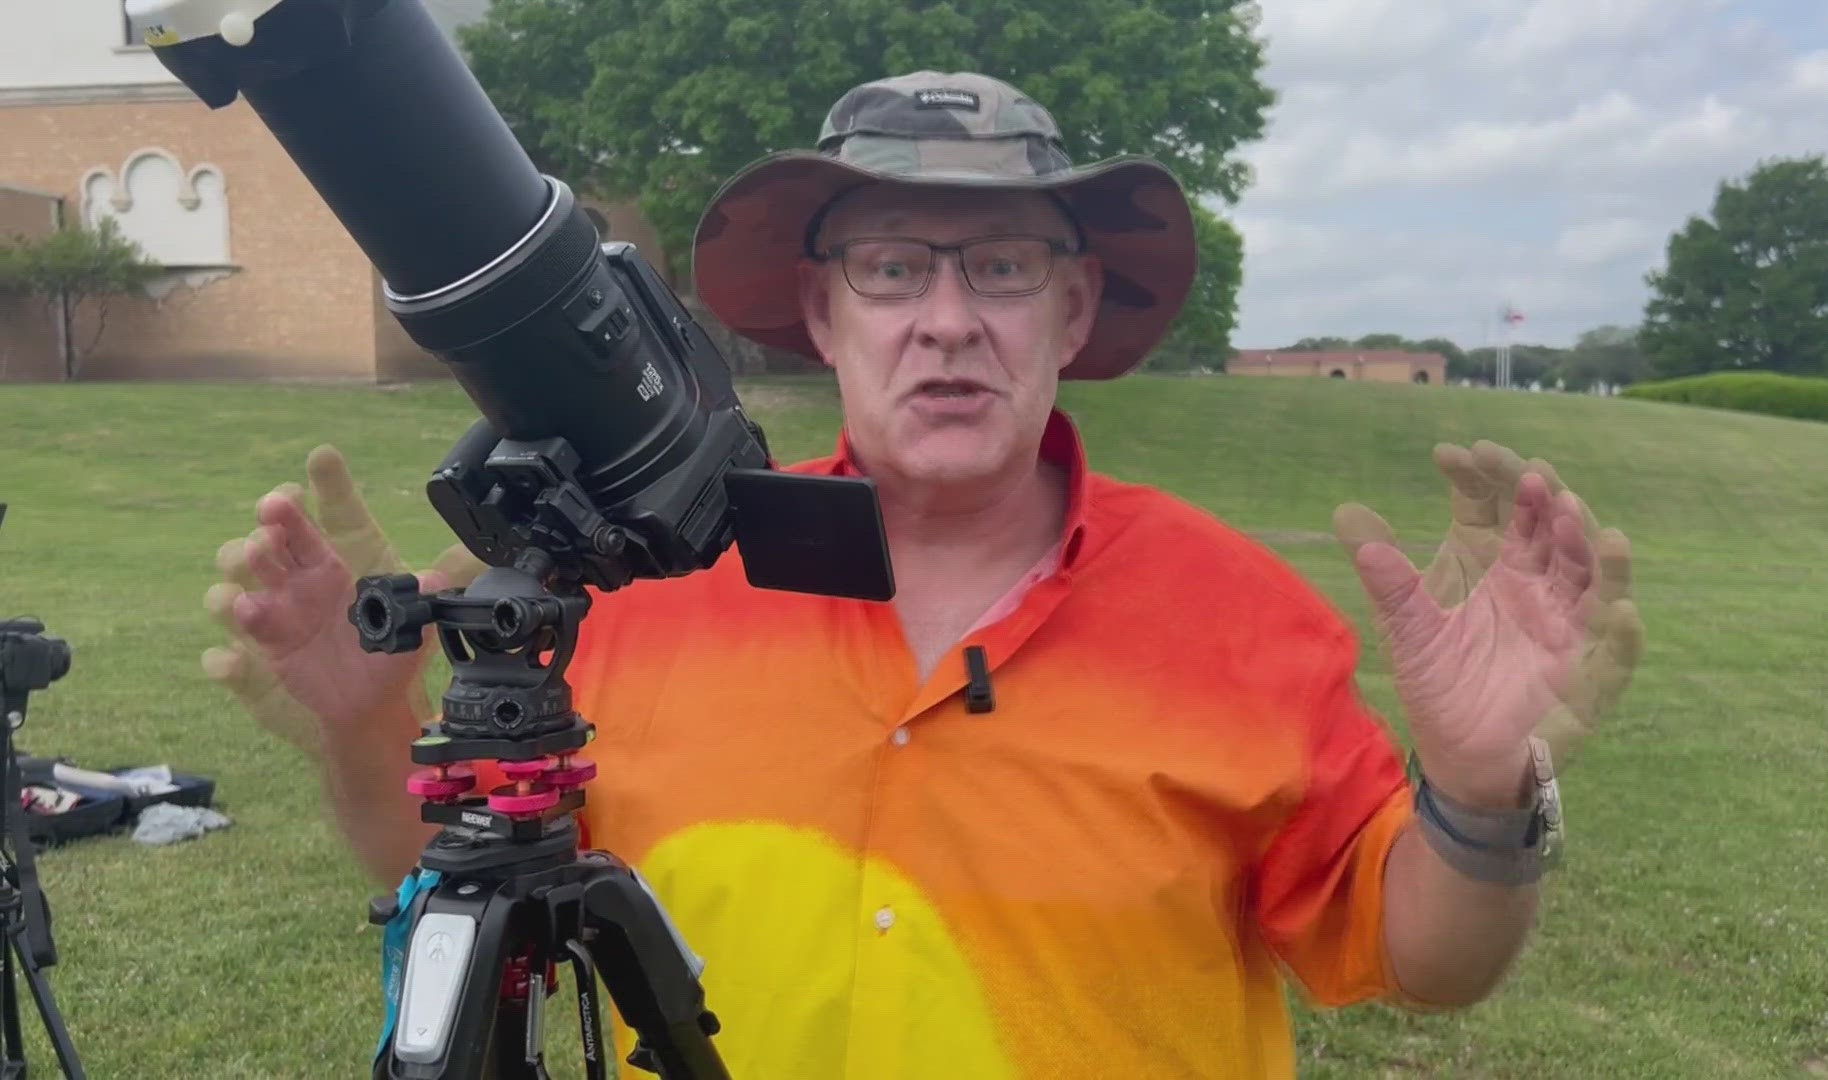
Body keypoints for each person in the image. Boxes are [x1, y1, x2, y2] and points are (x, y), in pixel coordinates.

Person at [202, 71, 1643, 1079]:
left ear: (1073, 308)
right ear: (821, 315)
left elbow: (1431, 964)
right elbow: (454, 897)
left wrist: (1475, 793)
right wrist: (362, 725)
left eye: (1005, 268)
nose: (947, 322)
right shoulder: (629, 591)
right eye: (893, 270)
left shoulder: (1246, 621)